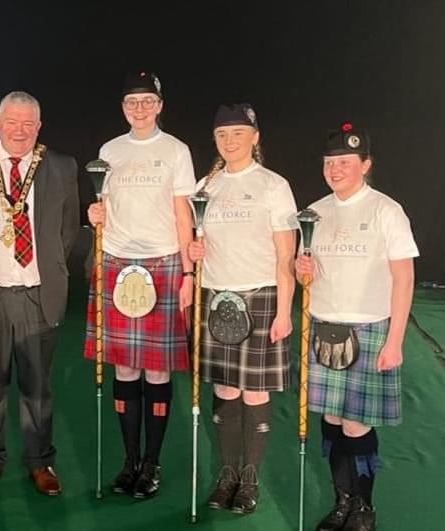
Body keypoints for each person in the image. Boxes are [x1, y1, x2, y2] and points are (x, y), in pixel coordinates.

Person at [0, 91, 80, 496]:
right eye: (12, 121)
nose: (20, 130)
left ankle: (40, 462)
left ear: (39, 127)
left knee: (37, 388)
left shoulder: (61, 166)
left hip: (36, 294)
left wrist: (47, 268)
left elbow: (68, 229)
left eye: (28, 123)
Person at [295, 123, 418, 531]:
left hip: (369, 329)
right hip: (324, 328)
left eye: (345, 162)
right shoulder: (314, 212)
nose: (335, 169)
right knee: (331, 421)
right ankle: (341, 501)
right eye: (329, 162)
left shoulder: (386, 210)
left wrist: (395, 341)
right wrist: (300, 268)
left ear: (365, 165)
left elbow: (404, 279)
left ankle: (363, 507)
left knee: (356, 425)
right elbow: (305, 273)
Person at [85, 72, 194, 499]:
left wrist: (188, 273)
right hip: (116, 262)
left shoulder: (176, 151)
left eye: (148, 101)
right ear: (123, 107)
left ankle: (153, 461)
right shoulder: (109, 150)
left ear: (160, 105)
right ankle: (130, 460)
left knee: (157, 369)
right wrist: (94, 214)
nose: (140, 108)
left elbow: (183, 213)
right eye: (132, 102)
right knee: (125, 368)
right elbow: (104, 204)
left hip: (162, 262)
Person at [187, 104, 297, 513]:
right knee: (224, 389)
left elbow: (286, 254)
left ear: (255, 137)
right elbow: (198, 240)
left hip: (260, 296)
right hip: (216, 297)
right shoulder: (206, 185)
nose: (230, 141)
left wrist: (284, 311)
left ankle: (250, 480)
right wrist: (194, 251)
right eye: (222, 134)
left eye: (238, 133)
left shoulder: (273, 185)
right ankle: (227, 475)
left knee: (254, 391)